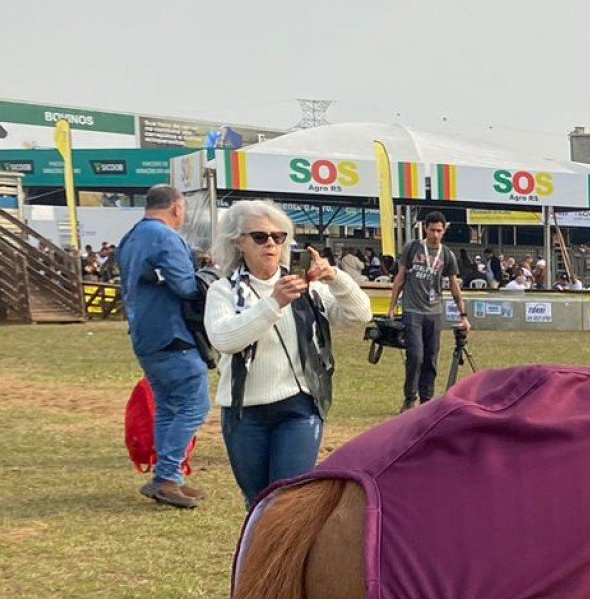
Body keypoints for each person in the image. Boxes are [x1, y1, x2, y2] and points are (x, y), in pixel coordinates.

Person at [204, 200, 371, 502]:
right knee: (257, 502)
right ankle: (260, 550)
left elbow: (361, 314)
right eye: (259, 236)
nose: (271, 243)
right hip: (245, 410)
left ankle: (289, 551)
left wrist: (335, 276)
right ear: (239, 242)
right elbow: (225, 339)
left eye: (279, 237)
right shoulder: (224, 291)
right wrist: (274, 303)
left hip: (299, 406)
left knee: (287, 500)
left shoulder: (306, 287)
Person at [117, 184, 210, 510]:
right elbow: (185, 286)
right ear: (177, 208)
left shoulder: (130, 238)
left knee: (170, 407)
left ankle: (167, 477)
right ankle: (168, 477)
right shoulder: (166, 237)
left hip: (145, 335)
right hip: (173, 336)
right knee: (193, 406)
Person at [387, 210, 469, 411]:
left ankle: (427, 400)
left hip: (434, 312)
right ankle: (409, 397)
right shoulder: (413, 248)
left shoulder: (447, 255)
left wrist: (463, 314)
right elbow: (400, 278)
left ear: (444, 231)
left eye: (439, 231)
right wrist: (392, 306)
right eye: (432, 230)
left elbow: (453, 285)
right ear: (425, 229)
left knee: (431, 356)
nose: (435, 234)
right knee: (415, 355)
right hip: (412, 310)